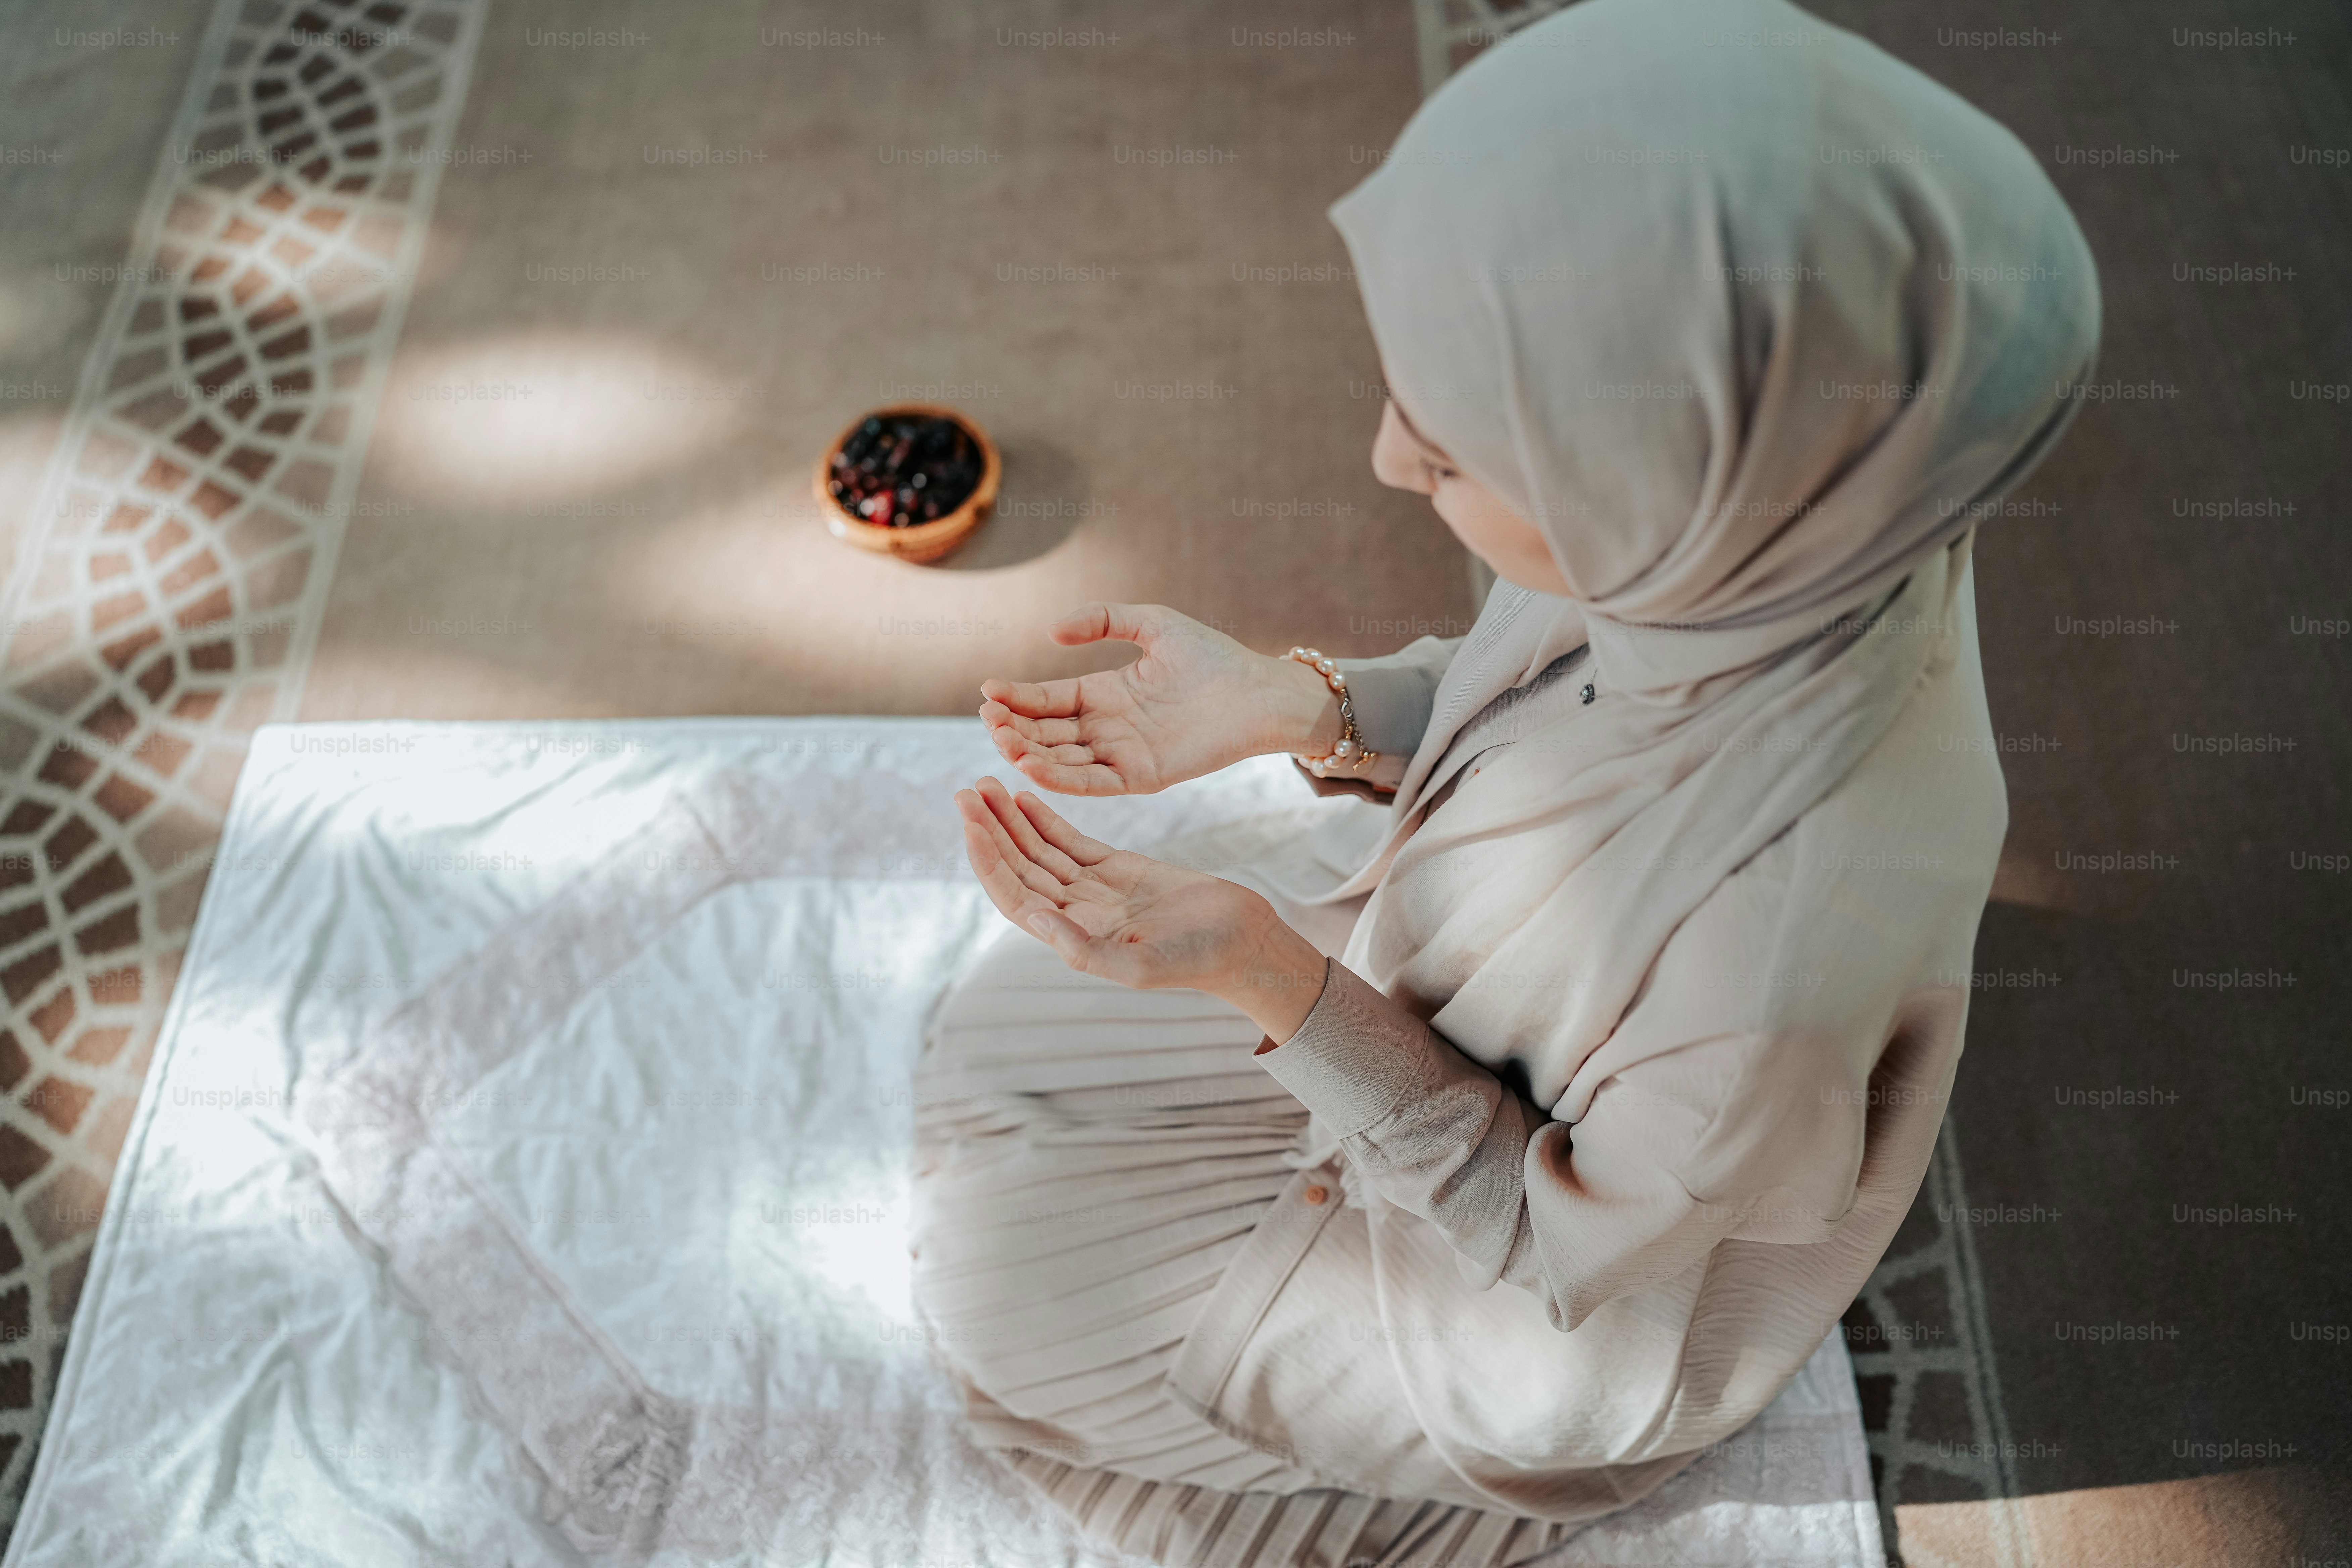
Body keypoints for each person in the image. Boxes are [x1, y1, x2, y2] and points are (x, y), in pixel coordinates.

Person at [909, 0, 2100, 1562]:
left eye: (1461, 448)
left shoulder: (1777, 949)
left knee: (1005, 1306)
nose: (1392, 462)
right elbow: (1560, 688)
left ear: (1682, 494)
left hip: (1528, 1273)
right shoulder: (1802, 508)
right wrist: (1299, 703)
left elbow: (1546, 1239)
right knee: (1011, 1036)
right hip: (1502, 1054)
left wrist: (1263, 968)